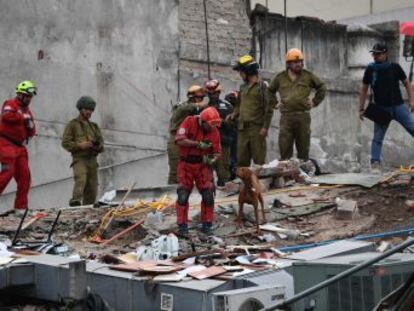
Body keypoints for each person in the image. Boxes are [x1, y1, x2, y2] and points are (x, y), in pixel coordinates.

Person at [359, 43, 414, 171]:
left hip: (399, 107)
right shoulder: (370, 69)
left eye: (378, 54)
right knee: (377, 138)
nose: (375, 56)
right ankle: (375, 165)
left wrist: (411, 101)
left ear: (385, 54)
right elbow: (363, 89)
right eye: (374, 54)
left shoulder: (395, 67)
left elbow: (407, 83)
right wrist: (361, 109)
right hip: (381, 109)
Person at [268, 48, 326, 161]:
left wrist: (314, 102)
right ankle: (287, 177)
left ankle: (302, 175)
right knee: (284, 150)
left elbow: (322, 87)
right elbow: (269, 91)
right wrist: (274, 103)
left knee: (303, 150)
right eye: (295, 62)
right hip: (286, 118)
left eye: (300, 62)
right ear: (288, 64)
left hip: (303, 117)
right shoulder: (280, 78)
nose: (298, 64)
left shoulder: (308, 76)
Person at [175, 107, 221, 236]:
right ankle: (182, 226)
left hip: (202, 165)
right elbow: (180, 140)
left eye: (214, 124)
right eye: (210, 124)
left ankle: (207, 224)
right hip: (186, 164)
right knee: (183, 194)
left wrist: (212, 159)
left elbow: (217, 152)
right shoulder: (189, 121)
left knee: (208, 194)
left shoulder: (214, 132)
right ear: (202, 121)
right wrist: (197, 144)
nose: (212, 127)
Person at [230, 55, 275, 167]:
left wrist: (265, 127)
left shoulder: (262, 87)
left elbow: (268, 109)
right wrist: (234, 113)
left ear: (248, 71)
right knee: (241, 161)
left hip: (256, 129)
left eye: (241, 72)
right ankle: (246, 184)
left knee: (259, 161)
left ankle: (259, 183)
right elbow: (239, 105)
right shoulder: (242, 88)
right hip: (242, 129)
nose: (240, 75)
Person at [0, 81, 37, 216]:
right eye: (27, 96)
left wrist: (30, 125)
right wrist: (22, 117)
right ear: (20, 95)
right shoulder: (10, 103)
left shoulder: (28, 111)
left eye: (30, 97)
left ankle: (21, 208)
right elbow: (6, 115)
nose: (29, 99)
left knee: (25, 177)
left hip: (20, 147)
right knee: (7, 173)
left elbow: (32, 131)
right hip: (6, 143)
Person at [62, 96, 104, 206]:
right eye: (86, 109)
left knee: (92, 187)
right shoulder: (73, 125)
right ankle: (75, 201)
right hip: (79, 159)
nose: (89, 112)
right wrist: (80, 146)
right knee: (81, 179)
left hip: (92, 160)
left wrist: (95, 146)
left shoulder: (94, 127)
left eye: (91, 110)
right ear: (80, 109)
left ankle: (88, 207)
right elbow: (65, 143)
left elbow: (101, 145)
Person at [167, 85, 207, 184]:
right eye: (198, 98)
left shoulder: (199, 110)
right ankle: (172, 194)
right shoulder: (182, 106)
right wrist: (199, 105)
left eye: (202, 98)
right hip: (177, 140)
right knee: (175, 170)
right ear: (191, 97)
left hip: (190, 142)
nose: (201, 100)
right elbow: (183, 109)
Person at [204, 79, 233, 187]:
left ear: (219, 93)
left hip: (223, 143)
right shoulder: (204, 107)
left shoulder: (227, 106)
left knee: (223, 174)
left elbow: (232, 125)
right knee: (207, 173)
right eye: (210, 94)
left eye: (215, 93)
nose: (212, 96)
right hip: (207, 145)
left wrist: (220, 122)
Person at [224, 91, 239, 180]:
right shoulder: (228, 111)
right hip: (230, 135)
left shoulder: (239, 110)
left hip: (236, 135)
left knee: (234, 157)